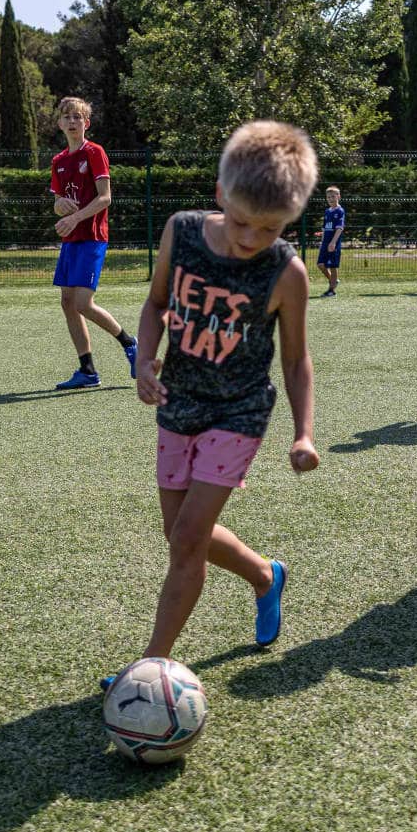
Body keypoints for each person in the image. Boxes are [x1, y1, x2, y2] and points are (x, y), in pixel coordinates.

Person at [109, 120, 320, 681]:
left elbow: (296, 359)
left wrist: (304, 432)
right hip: (179, 402)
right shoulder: (181, 233)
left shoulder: (287, 272)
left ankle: (152, 665)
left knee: (185, 543)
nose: (252, 239)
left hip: (240, 412)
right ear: (221, 194)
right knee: (177, 532)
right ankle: (263, 575)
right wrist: (145, 361)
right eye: (245, 223)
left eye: (270, 228)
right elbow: (155, 305)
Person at [47, 96, 137, 390]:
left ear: (86, 123)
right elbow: (59, 201)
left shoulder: (94, 152)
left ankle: (130, 344)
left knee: (84, 303)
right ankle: (87, 371)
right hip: (71, 240)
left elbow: (105, 198)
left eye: (78, 117)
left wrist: (76, 218)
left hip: (92, 237)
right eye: (67, 117)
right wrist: (61, 207)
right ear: (60, 123)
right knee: (67, 302)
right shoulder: (58, 161)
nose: (72, 122)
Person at [317, 186, 346, 296]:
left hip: (334, 243)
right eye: (328, 197)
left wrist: (333, 242)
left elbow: (339, 228)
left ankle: (331, 290)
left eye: (333, 196)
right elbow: (324, 228)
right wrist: (323, 242)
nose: (331, 199)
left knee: (333, 266)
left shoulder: (340, 211)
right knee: (320, 264)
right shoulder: (327, 211)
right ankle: (334, 281)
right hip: (325, 243)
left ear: (338, 196)